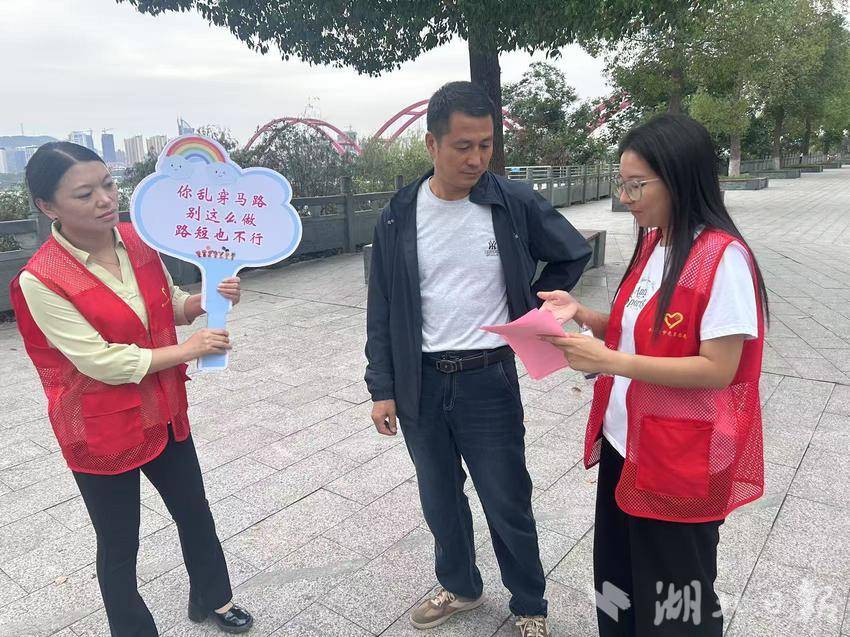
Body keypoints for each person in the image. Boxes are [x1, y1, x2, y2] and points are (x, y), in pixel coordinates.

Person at [364, 81, 592, 637]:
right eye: (463, 146)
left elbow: (572, 252)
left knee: (506, 499)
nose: (476, 158)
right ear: (431, 144)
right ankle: (461, 586)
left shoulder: (512, 202)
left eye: (486, 145)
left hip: (488, 379)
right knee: (440, 498)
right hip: (420, 383)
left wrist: (531, 306)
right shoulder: (399, 214)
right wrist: (382, 387)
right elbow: (382, 306)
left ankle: (530, 605)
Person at [9, 142, 253, 636]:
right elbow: (101, 361)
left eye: (108, 184)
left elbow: (168, 302)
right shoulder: (40, 279)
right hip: (100, 428)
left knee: (194, 511)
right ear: (48, 206)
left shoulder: (138, 240)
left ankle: (213, 597)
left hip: (162, 408)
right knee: (120, 544)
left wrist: (203, 301)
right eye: (85, 194)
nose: (105, 200)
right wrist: (187, 351)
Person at [540, 114, 769, 636]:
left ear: (680, 177)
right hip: (627, 444)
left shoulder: (722, 258)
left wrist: (607, 362)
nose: (625, 198)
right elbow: (636, 332)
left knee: (675, 598)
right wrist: (582, 314)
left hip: (680, 457)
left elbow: (718, 368)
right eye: (621, 183)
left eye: (636, 185)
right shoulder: (653, 244)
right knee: (617, 580)